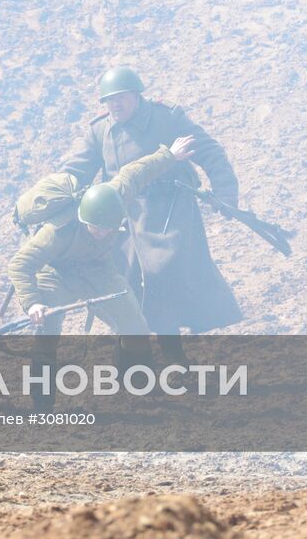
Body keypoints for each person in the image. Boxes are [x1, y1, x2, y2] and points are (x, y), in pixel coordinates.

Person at [60, 67, 242, 358]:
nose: (115, 106)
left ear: (136, 94)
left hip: (169, 211)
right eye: (109, 100)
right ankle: (131, 360)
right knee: (124, 284)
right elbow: (75, 172)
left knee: (164, 274)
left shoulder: (167, 118)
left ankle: (174, 356)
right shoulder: (100, 131)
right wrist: (52, 199)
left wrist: (226, 194)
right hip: (121, 217)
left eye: (121, 98)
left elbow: (210, 151)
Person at [9, 136, 198, 339]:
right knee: (49, 326)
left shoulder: (116, 196)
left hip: (98, 270)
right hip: (56, 275)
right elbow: (20, 263)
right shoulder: (57, 232)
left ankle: (136, 368)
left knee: (133, 324)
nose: (102, 233)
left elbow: (137, 172)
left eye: (108, 228)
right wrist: (33, 303)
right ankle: (42, 369)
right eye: (96, 228)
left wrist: (169, 155)